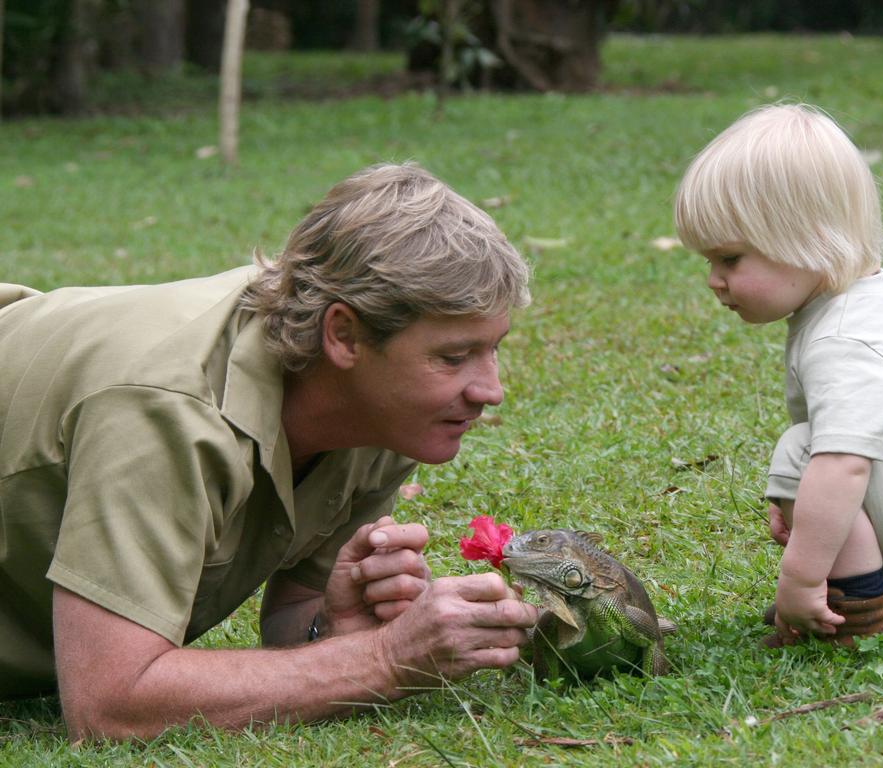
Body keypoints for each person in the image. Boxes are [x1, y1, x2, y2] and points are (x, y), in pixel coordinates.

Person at [0, 162, 538, 739]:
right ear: (344, 336)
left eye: (492, 349)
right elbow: (111, 705)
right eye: (453, 357)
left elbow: (293, 621)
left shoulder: (382, 410)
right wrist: (384, 658)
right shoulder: (168, 409)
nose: (490, 390)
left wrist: (335, 627)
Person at [673, 104, 883, 647]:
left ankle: (856, 616)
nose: (714, 280)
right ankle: (867, 580)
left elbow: (843, 464)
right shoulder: (860, 302)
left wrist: (801, 574)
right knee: (810, 457)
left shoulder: (845, 338)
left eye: (730, 259)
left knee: (808, 452)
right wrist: (796, 500)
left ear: (806, 240)